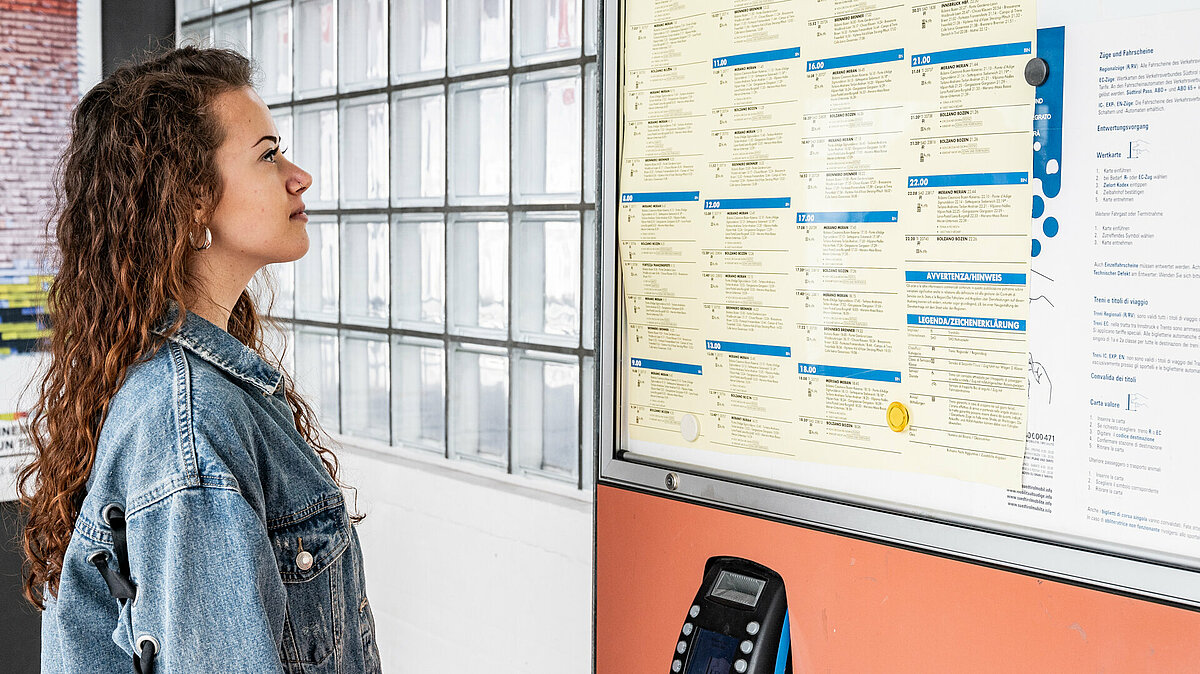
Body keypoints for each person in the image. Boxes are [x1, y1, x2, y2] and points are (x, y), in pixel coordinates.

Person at [18, 47, 381, 673]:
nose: (300, 176)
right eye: (268, 156)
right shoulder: (188, 417)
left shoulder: (192, 388)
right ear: (190, 201)